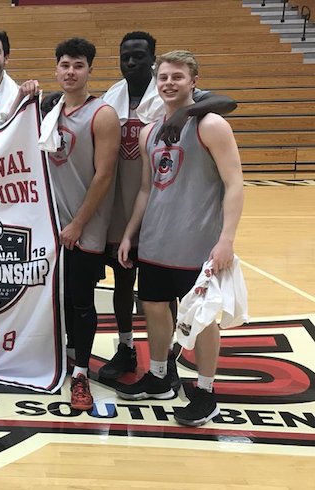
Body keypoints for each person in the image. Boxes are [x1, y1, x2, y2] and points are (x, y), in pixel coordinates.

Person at [97, 32, 237, 383]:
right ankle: (157, 374)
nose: (169, 83)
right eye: (165, 77)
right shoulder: (147, 129)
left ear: (193, 81)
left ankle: (204, 390)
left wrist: (227, 240)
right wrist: (130, 234)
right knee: (153, 307)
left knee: (201, 315)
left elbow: (235, 184)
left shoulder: (211, 123)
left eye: (177, 77)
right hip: (152, 235)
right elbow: (146, 188)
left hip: (195, 241)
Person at [43, 38, 120, 411]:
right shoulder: (49, 111)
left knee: (80, 301)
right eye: (64, 65)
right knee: (51, 299)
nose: (70, 72)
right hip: (49, 224)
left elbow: (104, 176)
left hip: (83, 228)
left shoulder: (102, 114)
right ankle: (59, 359)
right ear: (56, 70)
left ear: (89, 70)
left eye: (78, 65)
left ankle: (80, 374)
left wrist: (77, 223)